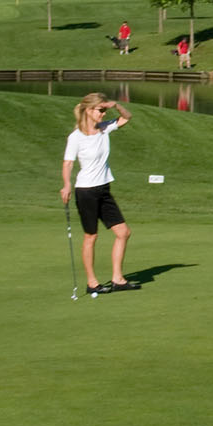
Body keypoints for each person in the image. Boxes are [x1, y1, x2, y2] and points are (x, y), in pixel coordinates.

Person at [59, 92, 141, 295]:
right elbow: (68, 163)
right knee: (91, 236)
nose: (103, 114)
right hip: (86, 191)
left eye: (104, 110)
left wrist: (116, 105)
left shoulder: (104, 128)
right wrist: (66, 184)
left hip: (104, 189)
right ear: (88, 110)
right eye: (100, 110)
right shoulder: (76, 136)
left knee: (123, 232)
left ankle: (117, 279)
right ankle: (92, 282)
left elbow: (127, 117)